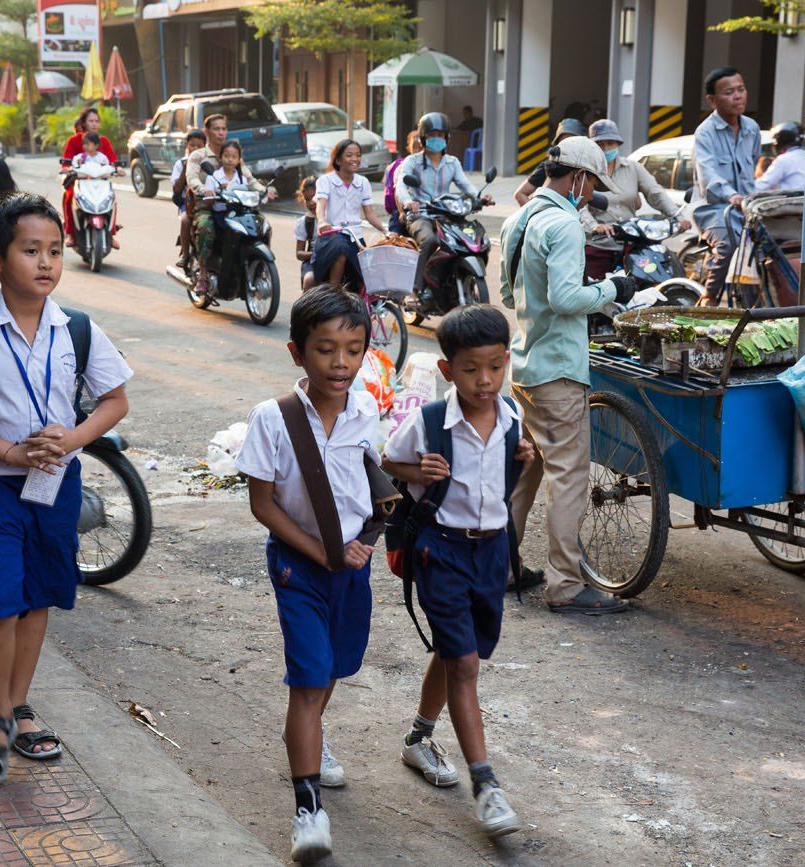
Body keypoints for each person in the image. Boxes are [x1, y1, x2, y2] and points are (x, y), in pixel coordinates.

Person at [0, 192, 132, 786]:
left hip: (55, 484)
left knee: (38, 597)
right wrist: (11, 451)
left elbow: (115, 400)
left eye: (56, 251)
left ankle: (17, 704)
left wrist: (72, 438)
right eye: (31, 250)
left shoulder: (77, 330)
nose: (46, 263)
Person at [234, 287, 377, 864]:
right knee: (309, 674)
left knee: (334, 667)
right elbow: (263, 503)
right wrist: (319, 550)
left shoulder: (369, 410)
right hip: (298, 565)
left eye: (353, 349)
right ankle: (307, 806)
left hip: (353, 569)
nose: (340, 363)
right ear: (297, 353)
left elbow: (375, 482)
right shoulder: (273, 419)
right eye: (325, 350)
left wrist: (363, 541)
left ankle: (308, 737)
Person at [383, 304, 534, 840]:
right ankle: (487, 786)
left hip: (491, 552)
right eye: (471, 369)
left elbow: (515, 477)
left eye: (496, 366)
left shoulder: (512, 415)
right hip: (441, 551)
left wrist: (526, 457)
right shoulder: (428, 423)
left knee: (457, 651)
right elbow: (386, 462)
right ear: (448, 371)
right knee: (465, 665)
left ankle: (419, 738)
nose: (485, 380)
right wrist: (414, 469)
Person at [498, 137, 634, 615]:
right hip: (557, 369)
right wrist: (611, 289)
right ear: (577, 177)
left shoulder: (517, 220)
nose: (591, 192)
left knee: (528, 469)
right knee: (570, 478)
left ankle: (500, 567)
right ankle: (567, 586)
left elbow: (508, 291)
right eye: (592, 181)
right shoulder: (565, 225)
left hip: (525, 362)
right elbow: (565, 299)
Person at [395, 112, 492, 302]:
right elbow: (401, 186)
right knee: (430, 241)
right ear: (423, 138)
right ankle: (414, 289)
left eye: (440, 135)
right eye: (432, 135)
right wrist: (408, 202)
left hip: (447, 214)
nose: (436, 139)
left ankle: (456, 275)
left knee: (473, 239)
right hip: (420, 215)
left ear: (447, 137)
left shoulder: (452, 162)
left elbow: (465, 185)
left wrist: (481, 197)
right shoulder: (412, 162)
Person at [579, 118, 689, 280]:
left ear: (617, 144)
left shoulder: (633, 168)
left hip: (632, 242)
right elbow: (580, 204)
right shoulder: (587, 171)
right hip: (599, 243)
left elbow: (655, 193)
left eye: (610, 143)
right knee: (593, 286)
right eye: (600, 144)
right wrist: (595, 226)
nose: (606, 148)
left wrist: (677, 216)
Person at [692, 66, 761, 304]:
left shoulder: (752, 128)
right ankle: (709, 297)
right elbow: (709, 178)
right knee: (729, 245)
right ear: (712, 100)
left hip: (748, 208)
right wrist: (733, 197)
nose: (738, 96)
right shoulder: (705, 133)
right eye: (729, 92)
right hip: (714, 209)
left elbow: (753, 167)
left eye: (741, 89)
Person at [188, 117, 269, 294]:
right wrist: (204, 189)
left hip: (235, 206)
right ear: (207, 131)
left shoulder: (234, 156)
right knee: (206, 228)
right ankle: (202, 276)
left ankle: (255, 266)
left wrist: (264, 190)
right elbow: (192, 179)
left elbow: (249, 180)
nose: (221, 132)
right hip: (208, 205)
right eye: (216, 129)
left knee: (259, 224)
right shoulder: (198, 156)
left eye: (224, 128)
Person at [311, 139, 389, 287]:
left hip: (355, 237)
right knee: (341, 251)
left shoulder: (363, 182)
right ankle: (334, 292)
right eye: (349, 155)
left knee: (365, 275)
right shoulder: (325, 180)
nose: (355, 159)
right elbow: (321, 205)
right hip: (331, 235)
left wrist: (385, 230)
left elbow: (370, 214)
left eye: (358, 155)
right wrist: (322, 222)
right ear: (338, 160)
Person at [61, 107, 119, 248]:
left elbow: (113, 161)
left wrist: (118, 169)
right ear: (84, 123)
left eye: (96, 121)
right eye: (91, 121)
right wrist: (67, 169)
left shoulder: (104, 141)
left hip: (100, 183)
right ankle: (70, 234)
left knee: (112, 199)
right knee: (69, 197)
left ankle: (111, 235)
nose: (94, 124)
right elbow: (66, 162)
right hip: (78, 182)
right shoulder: (74, 141)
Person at [513, 118, 587, 206]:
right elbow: (520, 194)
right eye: (564, 141)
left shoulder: (587, 168)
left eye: (572, 141)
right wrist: (539, 215)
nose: (568, 146)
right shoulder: (549, 167)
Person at [172, 129, 207, 267]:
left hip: (208, 202)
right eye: (192, 145)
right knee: (186, 220)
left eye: (199, 146)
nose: (195, 149)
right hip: (189, 203)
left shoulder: (209, 163)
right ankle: (185, 255)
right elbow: (177, 189)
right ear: (187, 145)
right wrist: (187, 168)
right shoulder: (180, 164)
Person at [383, 131, 423, 233]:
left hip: (424, 210)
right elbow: (398, 191)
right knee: (395, 239)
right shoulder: (403, 166)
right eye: (415, 147)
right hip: (405, 209)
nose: (418, 150)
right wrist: (401, 212)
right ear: (409, 148)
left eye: (420, 147)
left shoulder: (429, 167)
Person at [755, 121, 805, 192]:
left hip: (789, 200)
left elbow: (764, 184)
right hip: (804, 198)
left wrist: (744, 189)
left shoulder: (784, 159)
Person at [294, 176, 318, 290]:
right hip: (312, 262)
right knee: (309, 280)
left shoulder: (334, 218)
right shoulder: (304, 222)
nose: (312, 203)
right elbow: (299, 253)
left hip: (332, 258)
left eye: (315, 198)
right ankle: (306, 306)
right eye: (308, 200)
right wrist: (314, 255)